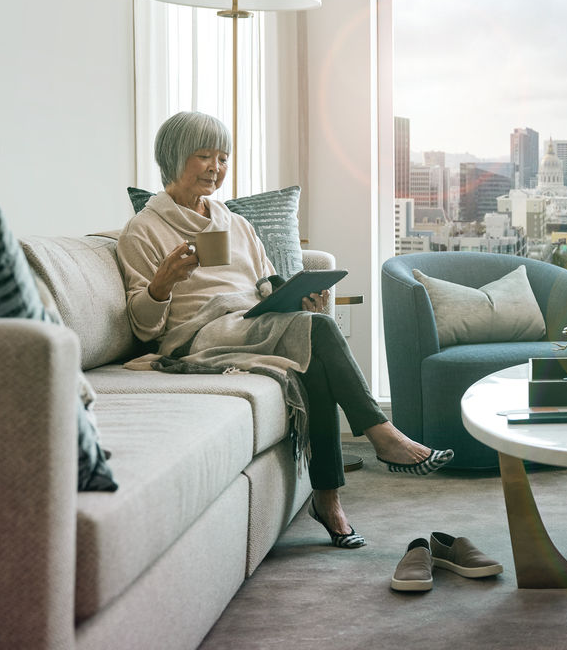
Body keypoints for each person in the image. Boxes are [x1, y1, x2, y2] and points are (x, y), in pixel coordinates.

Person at [117, 111, 452, 550]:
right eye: (203, 156)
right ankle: (381, 435)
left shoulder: (234, 223)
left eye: (223, 158)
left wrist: (295, 299)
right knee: (312, 337)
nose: (216, 168)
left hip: (250, 321)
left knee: (312, 347)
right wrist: (162, 283)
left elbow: (266, 282)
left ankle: (328, 501)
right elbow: (145, 329)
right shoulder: (143, 230)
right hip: (198, 336)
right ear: (174, 157)